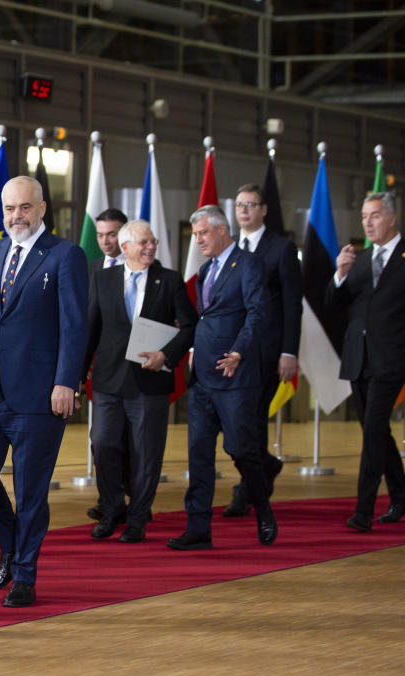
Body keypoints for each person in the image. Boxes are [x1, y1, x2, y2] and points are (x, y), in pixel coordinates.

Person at [0, 175, 88, 608]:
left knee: (31, 490)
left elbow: (74, 325)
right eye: (10, 209)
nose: (16, 217)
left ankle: (24, 576)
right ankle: (12, 545)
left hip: (39, 394)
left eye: (25, 208)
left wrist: (66, 381)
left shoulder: (66, 256)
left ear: (42, 209)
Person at [167, 205, 275, 550]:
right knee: (198, 454)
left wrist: (239, 351)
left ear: (222, 230)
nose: (197, 240)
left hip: (235, 376)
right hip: (202, 377)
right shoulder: (204, 270)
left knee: (241, 450)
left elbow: (258, 314)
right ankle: (198, 528)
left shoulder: (248, 265)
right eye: (195, 235)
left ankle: (264, 511)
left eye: (203, 233)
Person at [82, 220, 196, 543]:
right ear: (125, 247)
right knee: (102, 443)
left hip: (150, 382)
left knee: (147, 453)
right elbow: (90, 329)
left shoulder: (170, 281)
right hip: (107, 380)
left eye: (153, 242)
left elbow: (190, 326)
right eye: (143, 242)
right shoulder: (102, 279)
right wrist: (76, 377)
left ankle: (137, 519)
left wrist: (167, 355)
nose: (150, 247)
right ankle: (112, 507)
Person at [326, 192, 405, 532]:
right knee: (375, 430)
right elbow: (335, 304)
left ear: (392, 218)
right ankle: (402, 497)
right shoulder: (360, 260)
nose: (367, 222)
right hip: (359, 357)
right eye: (364, 216)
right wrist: (340, 273)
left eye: (375, 215)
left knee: (373, 434)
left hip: (391, 359)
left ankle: (363, 510)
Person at [223, 184, 302, 518]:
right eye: (239, 205)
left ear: (264, 209)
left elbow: (291, 305)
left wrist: (289, 352)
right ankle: (265, 466)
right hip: (233, 352)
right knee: (238, 424)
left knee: (251, 422)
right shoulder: (229, 247)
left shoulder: (281, 249)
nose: (244, 211)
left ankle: (246, 491)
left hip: (266, 353)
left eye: (251, 205)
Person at [85, 207, 132, 525]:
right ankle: (110, 501)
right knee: (103, 439)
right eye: (100, 235)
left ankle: (136, 500)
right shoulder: (90, 270)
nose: (104, 241)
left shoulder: (147, 269)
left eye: (111, 234)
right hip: (102, 370)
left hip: (140, 372)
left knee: (133, 442)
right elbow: (83, 322)